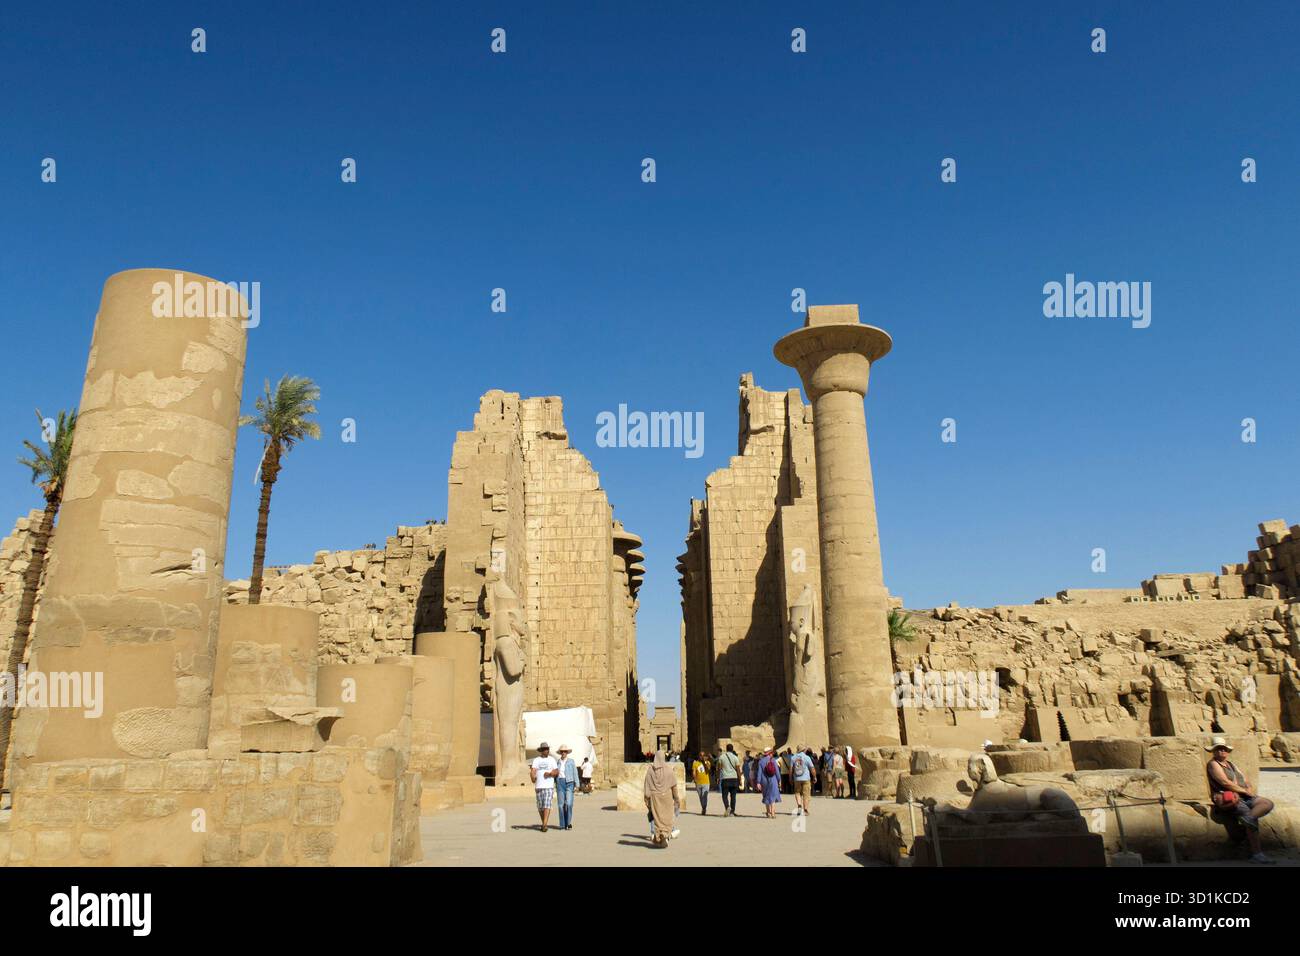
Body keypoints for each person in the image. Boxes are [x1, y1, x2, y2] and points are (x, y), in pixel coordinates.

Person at [1206, 736, 1275, 863]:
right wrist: (1244, 790)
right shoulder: (1213, 764)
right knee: (1249, 815)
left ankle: (1248, 819)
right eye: (1218, 749)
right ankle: (1257, 853)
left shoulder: (1231, 764)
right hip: (1229, 797)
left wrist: (1248, 788)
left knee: (1267, 803)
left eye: (1224, 749)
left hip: (1243, 795)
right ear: (1213, 751)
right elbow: (1225, 782)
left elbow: (1244, 778)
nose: (1222, 751)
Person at [644, 750, 681, 848]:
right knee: (667, 818)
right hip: (667, 797)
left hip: (655, 798)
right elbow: (674, 786)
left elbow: (647, 788)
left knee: (657, 818)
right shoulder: (669, 770)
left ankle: (660, 836)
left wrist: (647, 800)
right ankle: (665, 835)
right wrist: (676, 799)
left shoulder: (650, 771)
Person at [529, 741, 560, 832]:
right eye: (545, 749)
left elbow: (556, 771)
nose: (547, 751)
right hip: (539, 786)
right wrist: (532, 777)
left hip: (548, 786)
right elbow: (533, 770)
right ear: (541, 751)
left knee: (547, 804)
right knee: (540, 806)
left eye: (547, 749)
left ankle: (545, 824)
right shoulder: (536, 760)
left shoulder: (552, 760)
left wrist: (550, 773)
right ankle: (543, 822)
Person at [554, 744, 578, 830]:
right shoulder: (557, 762)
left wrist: (577, 784)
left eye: (565, 751)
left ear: (567, 752)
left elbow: (575, 772)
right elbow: (555, 773)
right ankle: (562, 824)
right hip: (560, 783)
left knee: (569, 804)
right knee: (560, 805)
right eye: (562, 751)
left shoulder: (571, 761)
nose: (563, 753)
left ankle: (568, 822)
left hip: (569, 783)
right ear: (560, 753)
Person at [716, 743, 742, 816]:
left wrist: (718, 778)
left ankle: (727, 807)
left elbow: (719, 769)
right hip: (734, 778)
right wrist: (740, 780)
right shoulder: (735, 757)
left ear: (726, 749)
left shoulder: (722, 757)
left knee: (724, 795)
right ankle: (732, 812)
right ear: (732, 749)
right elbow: (738, 770)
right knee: (733, 796)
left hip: (725, 778)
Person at [790, 745, 816, 815]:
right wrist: (814, 777)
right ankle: (805, 810)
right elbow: (812, 768)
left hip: (797, 778)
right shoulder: (807, 757)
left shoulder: (793, 758)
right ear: (804, 750)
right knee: (806, 794)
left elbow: (791, 770)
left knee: (797, 792)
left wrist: (790, 778)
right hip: (806, 778)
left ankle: (799, 805)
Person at [757, 747, 782, 817]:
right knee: (773, 796)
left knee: (766, 795)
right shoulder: (773, 760)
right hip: (773, 779)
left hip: (764, 780)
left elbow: (759, 773)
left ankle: (768, 812)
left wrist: (758, 782)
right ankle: (773, 813)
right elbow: (777, 772)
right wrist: (779, 779)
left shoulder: (761, 761)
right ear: (770, 753)